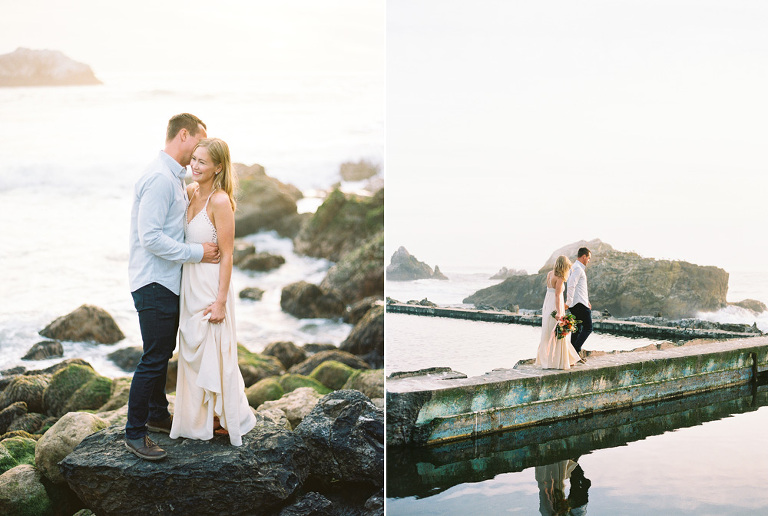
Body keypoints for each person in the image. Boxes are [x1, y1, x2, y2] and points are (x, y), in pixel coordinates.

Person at [126, 113, 220, 460]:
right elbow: (149, 237)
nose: (201, 150)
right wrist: (197, 253)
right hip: (153, 281)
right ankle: (134, 434)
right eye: (199, 142)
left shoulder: (174, 178)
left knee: (161, 353)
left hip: (165, 281)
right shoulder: (159, 179)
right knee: (153, 357)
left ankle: (155, 415)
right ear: (184, 135)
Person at [169, 138, 256, 446]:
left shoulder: (220, 202)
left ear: (218, 167)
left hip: (211, 287)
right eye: (193, 159)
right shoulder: (190, 192)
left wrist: (221, 301)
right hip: (189, 286)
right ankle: (198, 417)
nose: (194, 165)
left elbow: (228, 254)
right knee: (192, 352)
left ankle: (222, 415)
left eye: (202, 162)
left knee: (214, 349)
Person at [535, 255, 580, 369]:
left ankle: (552, 359)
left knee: (548, 332)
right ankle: (558, 361)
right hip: (555, 305)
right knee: (558, 333)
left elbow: (550, 291)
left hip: (547, 304)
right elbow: (557, 295)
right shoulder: (560, 278)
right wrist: (560, 312)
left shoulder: (550, 274)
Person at [565, 247, 592, 360]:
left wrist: (587, 301)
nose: (589, 260)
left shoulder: (575, 268)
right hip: (579, 304)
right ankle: (575, 350)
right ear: (584, 256)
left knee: (577, 329)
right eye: (588, 258)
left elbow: (580, 288)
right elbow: (571, 285)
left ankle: (572, 355)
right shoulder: (578, 269)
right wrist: (569, 302)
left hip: (580, 302)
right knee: (588, 328)